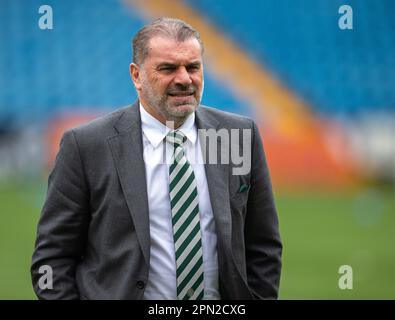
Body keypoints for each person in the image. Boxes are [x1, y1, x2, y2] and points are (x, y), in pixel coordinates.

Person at [31, 17, 282, 300]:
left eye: (193, 67)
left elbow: (263, 247)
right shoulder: (87, 145)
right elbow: (52, 259)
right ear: (136, 75)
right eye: (168, 68)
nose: (184, 79)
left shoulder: (237, 135)